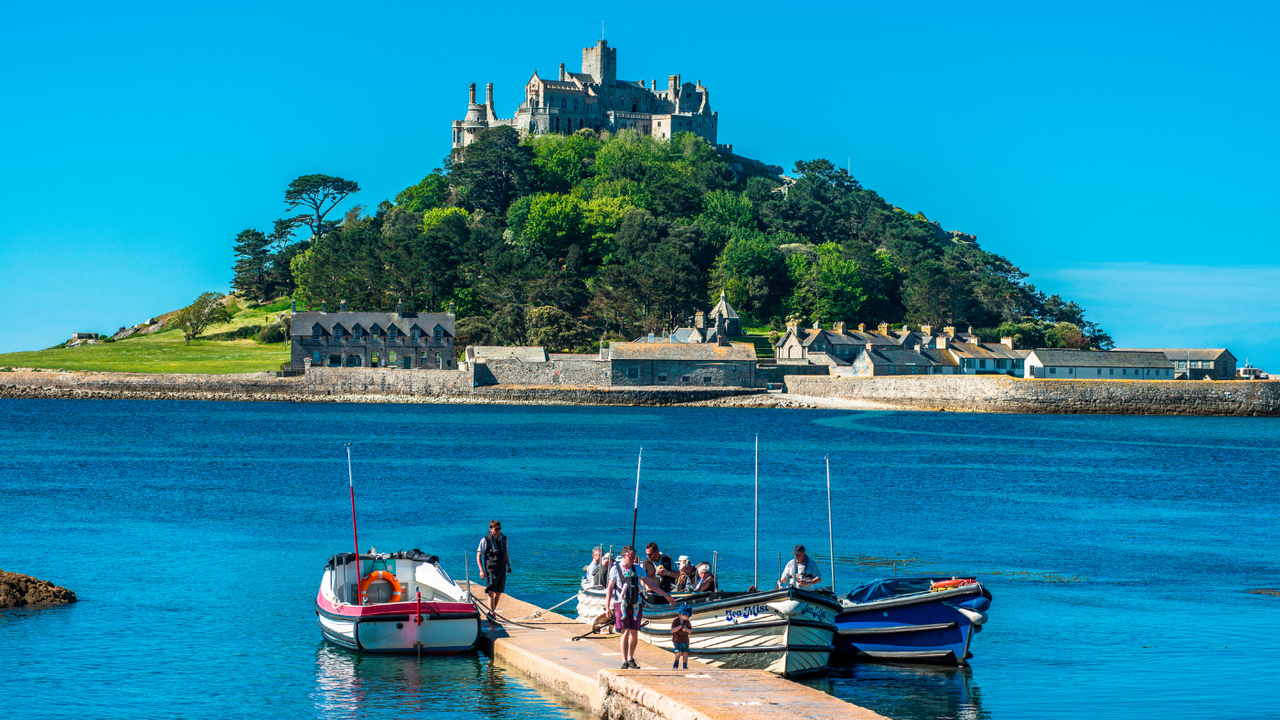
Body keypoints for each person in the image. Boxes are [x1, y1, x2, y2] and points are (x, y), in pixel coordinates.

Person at [606, 545, 676, 669]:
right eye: (631, 557)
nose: (633, 560)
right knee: (625, 632)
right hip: (620, 604)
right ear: (624, 556)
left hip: (635, 604)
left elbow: (651, 584)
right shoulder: (615, 569)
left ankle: (630, 658)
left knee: (634, 632)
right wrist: (607, 607)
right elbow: (610, 588)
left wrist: (666, 595)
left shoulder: (637, 569)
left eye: (634, 557)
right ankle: (624, 661)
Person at [476, 520, 512, 625]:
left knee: (499, 592)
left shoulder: (504, 539)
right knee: (491, 591)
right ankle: (492, 614)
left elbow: (506, 553)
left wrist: (509, 565)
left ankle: (491, 613)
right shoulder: (485, 540)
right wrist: (481, 570)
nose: (498, 531)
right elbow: (479, 555)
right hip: (490, 568)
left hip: (501, 568)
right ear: (491, 529)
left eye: (499, 528)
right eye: (496, 529)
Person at [671, 603, 693, 670]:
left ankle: (685, 665)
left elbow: (690, 631)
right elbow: (672, 630)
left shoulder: (687, 622)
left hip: (685, 640)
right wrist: (679, 627)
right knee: (678, 652)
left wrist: (686, 629)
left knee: (685, 652)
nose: (688, 617)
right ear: (682, 615)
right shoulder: (676, 621)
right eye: (687, 616)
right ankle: (676, 663)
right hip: (677, 639)